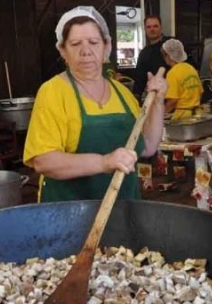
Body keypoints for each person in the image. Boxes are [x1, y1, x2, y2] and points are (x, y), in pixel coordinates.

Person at [23, 6, 168, 202]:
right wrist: (105, 162)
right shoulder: (53, 92)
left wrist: (158, 102)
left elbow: (147, 146)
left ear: (106, 47)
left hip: (123, 208)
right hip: (68, 213)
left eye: (93, 42)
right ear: (63, 51)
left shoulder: (122, 93)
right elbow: (44, 161)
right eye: (75, 44)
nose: (85, 51)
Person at [162, 39, 204, 120]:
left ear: (168, 56)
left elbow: (173, 100)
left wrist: (161, 114)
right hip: (197, 114)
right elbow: (200, 93)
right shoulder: (191, 68)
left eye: (164, 55)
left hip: (182, 117)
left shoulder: (172, 73)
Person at [133, 15, 171, 99]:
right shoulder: (144, 53)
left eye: (155, 26)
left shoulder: (171, 44)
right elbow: (140, 79)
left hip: (175, 95)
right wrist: (135, 98)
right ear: (145, 29)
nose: (152, 29)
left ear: (161, 27)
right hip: (156, 97)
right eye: (149, 27)